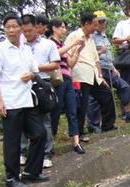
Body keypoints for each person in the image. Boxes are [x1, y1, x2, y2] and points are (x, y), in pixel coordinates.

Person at [0, 13, 49, 187]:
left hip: (27, 100)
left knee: (39, 134)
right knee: (12, 141)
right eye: (8, 27)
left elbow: (34, 71)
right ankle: (12, 178)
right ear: (5, 29)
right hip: (10, 102)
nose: (12, 30)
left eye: (15, 26)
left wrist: (31, 75)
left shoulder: (25, 49)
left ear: (21, 28)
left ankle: (31, 172)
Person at [65, 11, 117, 147]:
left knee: (106, 94)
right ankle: (79, 132)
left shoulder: (91, 39)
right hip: (80, 73)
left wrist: (100, 75)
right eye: (94, 25)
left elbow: (96, 59)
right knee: (82, 104)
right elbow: (67, 55)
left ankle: (108, 125)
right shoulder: (74, 36)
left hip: (94, 73)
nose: (95, 28)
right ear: (86, 24)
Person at [19, 14, 60, 169]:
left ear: (37, 27)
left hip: (42, 83)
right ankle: (22, 152)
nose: (27, 34)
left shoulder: (47, 44)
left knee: (45, 119)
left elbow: (55, 64)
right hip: (24, 84)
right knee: (23, 118)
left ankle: (47, 153)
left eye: (30, 30)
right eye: (24, 31)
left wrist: (35, 68)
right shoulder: (20, 45)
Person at [89, 10, 130, 125]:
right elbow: (90, 56)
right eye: (100, 21)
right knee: (99, 97)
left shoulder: (104, 36)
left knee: (125, 87)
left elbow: (108, 55)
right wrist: (100, 51)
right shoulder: (91, 37)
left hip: (109, 68)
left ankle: (126, 112)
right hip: (98, 69)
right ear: (95, 23)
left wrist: (113, 67)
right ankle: (94, 124)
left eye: (104, 21)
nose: (103, 24)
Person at [49, 18, 84, 154]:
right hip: (57, 80)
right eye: (62, 27)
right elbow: (54, 54)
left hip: (68, 79)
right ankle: (50, 142)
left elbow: (70, 63)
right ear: (54, 28)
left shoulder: (62, 44)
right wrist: (73, 43)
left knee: (72, 109)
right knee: (55, 111)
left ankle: (76, 141)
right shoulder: (50, 43)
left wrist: (78, 49)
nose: (64, 30)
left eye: (64, 27)